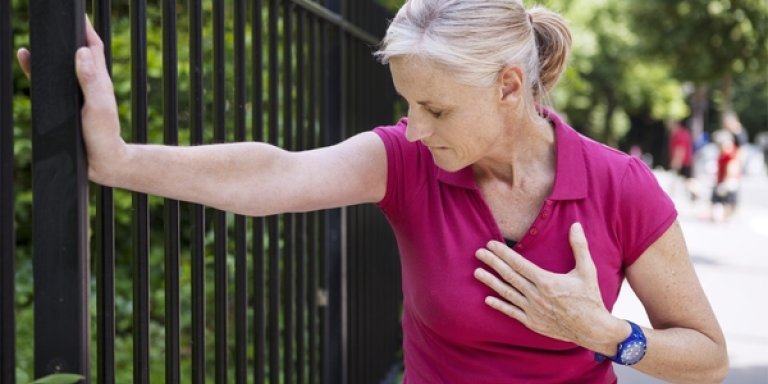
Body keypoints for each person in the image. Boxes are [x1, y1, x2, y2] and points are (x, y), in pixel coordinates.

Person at [18, 1, 728, 382]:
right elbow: (274, 175)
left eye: (437, 108)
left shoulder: (617, 184)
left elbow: (708, 358)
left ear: (510, 87)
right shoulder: (406, 161)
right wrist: (118, 160)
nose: (414, 128)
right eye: (408, 105)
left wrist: (605, 335)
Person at [710, 130, 741, 222]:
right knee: (722, 200)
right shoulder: (725, 153)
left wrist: (725, 181)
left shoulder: (730, 154)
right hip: (723, 180)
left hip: (727, 181)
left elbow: (731, 169)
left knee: (725, 199)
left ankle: (725, 216)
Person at [668, 119, 698, 200]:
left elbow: (680, 149)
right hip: (687, 161)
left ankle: (696, 194)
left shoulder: (679, 135)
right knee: (688, 180)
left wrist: (676, 162)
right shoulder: (683, 133)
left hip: (684, 162)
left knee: (688, 181)